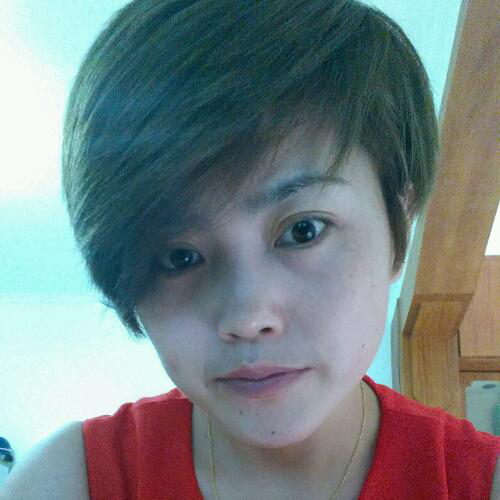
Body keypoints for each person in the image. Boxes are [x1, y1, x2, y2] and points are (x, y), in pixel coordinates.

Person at [2, 0, 499, 498]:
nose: (247, 317)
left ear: (398, 223)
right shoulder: (68, 482)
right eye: (179, 258)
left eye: (303, 230)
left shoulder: (479, 481)